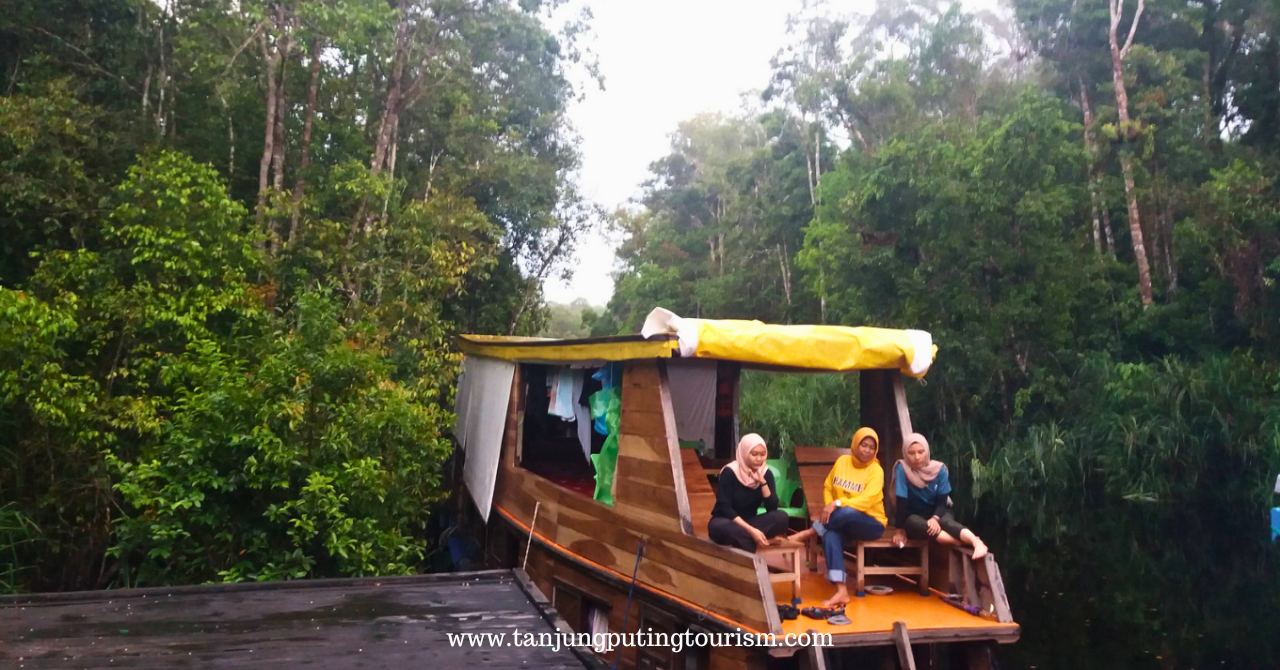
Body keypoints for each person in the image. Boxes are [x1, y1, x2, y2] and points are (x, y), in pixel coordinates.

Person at [791, 427, 887, 606]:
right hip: (844, 522)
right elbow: (828, 486)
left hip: (871, 524)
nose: (867, 450)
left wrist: (837, 504)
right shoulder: (842, 462)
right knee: (830, 535)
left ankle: (810, 533)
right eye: (863, 445)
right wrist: (830, 504)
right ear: (855, 444)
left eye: (871, 447)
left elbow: (867, 500)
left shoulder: (876, 470)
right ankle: (841, 591)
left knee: (847, 511)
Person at [891, 433, 988, 560]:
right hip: (916, 516)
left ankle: (976, 542)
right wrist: (899, 531)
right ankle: (960, 542)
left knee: (946, 522)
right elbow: (902, 502)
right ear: (905, 453)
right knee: (912, 521)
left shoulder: (938, 469)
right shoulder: (902, 468)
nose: (917, 457)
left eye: (921, 452)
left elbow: (942, 502)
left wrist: (935, 518)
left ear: (927, 451)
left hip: (939, 511)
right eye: (911, 453)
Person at [707, 434, 791, 552]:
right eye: (754, 454)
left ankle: (746, 540)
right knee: (723, 528)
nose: (759, 459)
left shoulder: (766, 473)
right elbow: (724, 507)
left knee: (782, 517)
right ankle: (753, 548)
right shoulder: (730, 472)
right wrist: (751, 530)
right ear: (744, 453)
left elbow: (772, 508)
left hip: (751, 521)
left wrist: (763, 483)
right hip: (727, 521)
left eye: (763, 454)